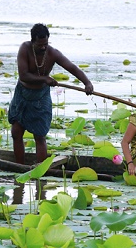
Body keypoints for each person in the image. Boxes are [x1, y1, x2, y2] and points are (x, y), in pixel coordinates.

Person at [9, 23, 94, 164]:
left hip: (40, 96)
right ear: (32, 41)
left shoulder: (52, 53)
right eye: (40, 45)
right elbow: (23, 75)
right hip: (22, 94)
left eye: (45, 44)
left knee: (40, 135)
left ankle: (41, 169)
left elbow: (71, 67)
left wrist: (87, 83)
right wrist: (44, 78)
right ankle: (19, 166)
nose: (43, 48)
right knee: (16, 132)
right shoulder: (25, 49)